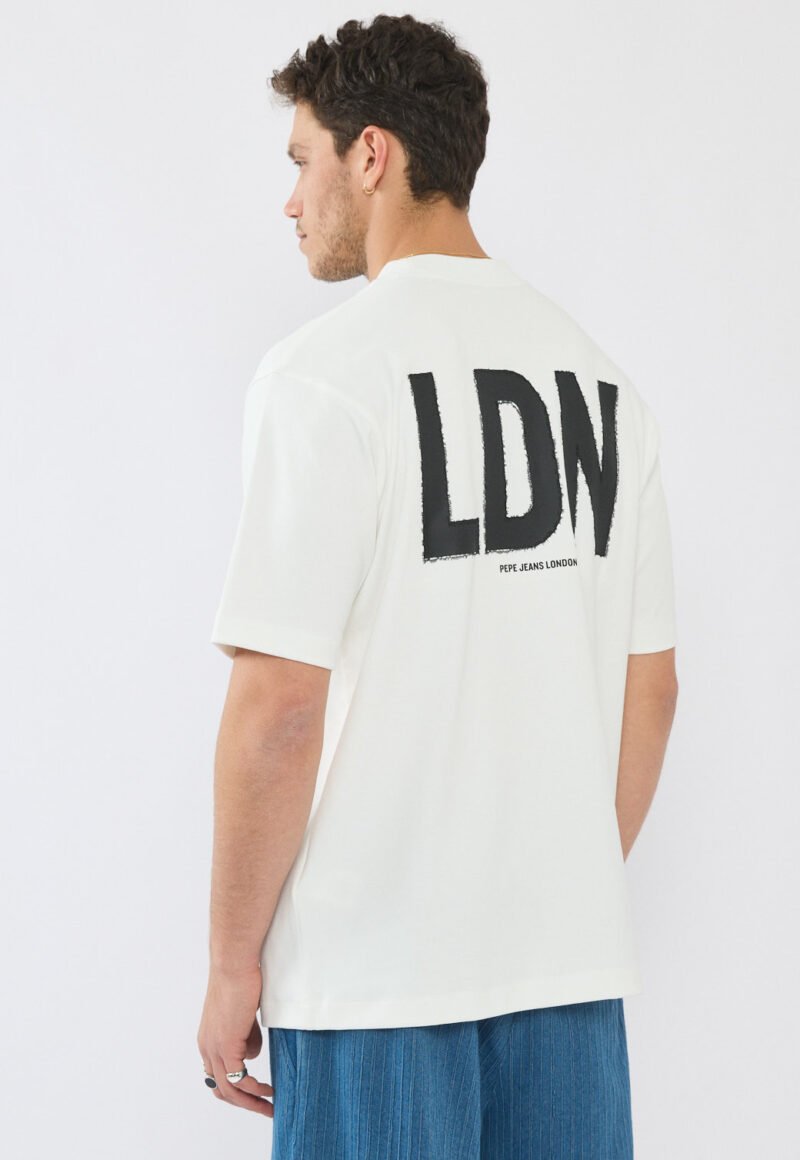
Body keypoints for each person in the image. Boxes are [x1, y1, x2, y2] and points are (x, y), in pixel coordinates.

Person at [196, 13, 679, 1159]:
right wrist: (551, 893)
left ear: (371, 153)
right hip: (564, 977)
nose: (290, 200)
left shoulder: (324, 378)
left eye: (302, 159)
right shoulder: (600, 384)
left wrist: (229, 962)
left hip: (373, 976)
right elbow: (651, 689)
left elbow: (279, 705)